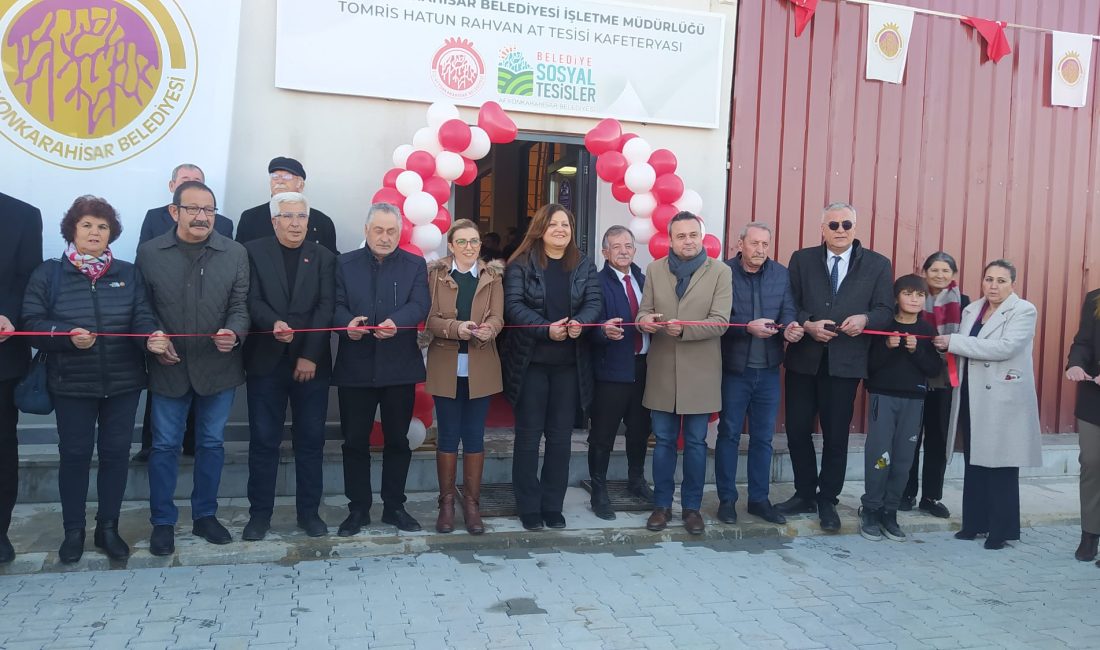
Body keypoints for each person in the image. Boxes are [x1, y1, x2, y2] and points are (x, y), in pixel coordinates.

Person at [22, 196, 167, 563]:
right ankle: (73, 532)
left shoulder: (128, 272)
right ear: (72, 230)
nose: (95, 232)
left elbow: (143, 317)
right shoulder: (48, 273)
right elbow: (32, 325)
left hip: (123, 383)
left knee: (116, 456)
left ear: (111, 234)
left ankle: (108, 528)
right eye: (87, 225)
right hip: (71, 383)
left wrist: (152, 335)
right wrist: (66, 334)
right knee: (74, 457)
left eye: (102, 227)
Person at [137, 180, 251, 556]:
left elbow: (240, 305)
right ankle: (163, 522)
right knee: (166, 446)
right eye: (194, 209)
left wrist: (233, 333)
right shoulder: (151, 253)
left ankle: (205, 515)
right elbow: (142, 307)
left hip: (218, 366)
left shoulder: (233, 253)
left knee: (211, 444)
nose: (203, 217)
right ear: (175, 212)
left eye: (209, 210)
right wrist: (153, 335)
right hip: (168, 367)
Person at [778, 202, 893, 532]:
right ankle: (804, 493)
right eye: (833, 225)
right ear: (822, 228)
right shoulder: (802, 259)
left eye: (846, 224)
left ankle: (827, 498)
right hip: (805, 360)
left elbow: (886, 309)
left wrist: (866, 319)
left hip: (845, 363)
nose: (840, 230)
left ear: (855, 228)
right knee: (798, 430)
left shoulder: (877, 264)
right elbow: (790, 303)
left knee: (836, 436)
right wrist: (808, 323)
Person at [241, 192, 336, 541]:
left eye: (301, 216)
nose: (296, 223)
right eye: (288, 216)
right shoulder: (252, 251)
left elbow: (326, 307)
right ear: (274, 221)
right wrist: (273, 323)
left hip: (312, 364)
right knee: (263, 441)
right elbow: (250, 298)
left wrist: (309, 354)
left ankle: (309, 514)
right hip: (266, 360)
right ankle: (259, 517)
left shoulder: (323, 256)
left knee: (310, 441)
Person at [332, 202, 430, 535]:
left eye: (391, 231)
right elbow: (334, 304)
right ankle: (357, 509)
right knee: (355, 442)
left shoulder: (415, 265)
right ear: (366, 230)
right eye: (379, 230)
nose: (385, 237)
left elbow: (420, 304)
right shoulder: (344, 264)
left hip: (398, 368)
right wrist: (346, 324)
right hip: (355, 368)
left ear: (400, 232)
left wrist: (398, 323)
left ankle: (394, 507)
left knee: (397, 441)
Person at [502, 203, 601, 531]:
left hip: (569, 366)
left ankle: (551, 504)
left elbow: (594, 303)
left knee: (560, 439)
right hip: (531, 364)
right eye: (554, 224)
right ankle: (528, 505)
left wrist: (580, 324)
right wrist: (546, 328)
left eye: (566, 225)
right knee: (528, 438)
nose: (561, 229)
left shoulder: (584, 263)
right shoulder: (520, 264)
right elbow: (513, 307)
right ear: (541, 229)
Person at [935, 259, 1042, 550]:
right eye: (989, 279)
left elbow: (1005, 347)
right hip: (972, 394)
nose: (993, 286)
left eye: (1001, 281)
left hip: (1002, 398)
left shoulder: (1023, 310)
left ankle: (1002, 530)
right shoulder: (972, 309)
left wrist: (953, 342)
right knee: (975, 460)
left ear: (1012, 284)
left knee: (1002, 464)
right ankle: (974, 523)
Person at [637, 212, 732, 535]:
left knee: (694, 443)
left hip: (701, 372)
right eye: (681, 236)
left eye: (693, 235)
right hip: (662, 369)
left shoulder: (720, 272)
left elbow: (721, 321)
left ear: (702, 237)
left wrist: (684, 330)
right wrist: (644, 322)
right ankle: (661, 506)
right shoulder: (654, 269)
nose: (688, 241)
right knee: (663, 441)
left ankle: (692, 508)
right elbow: (643, 311)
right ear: (671, 239)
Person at [134, 163, 232, 463]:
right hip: (167, 328)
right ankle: (150, 445)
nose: (200, 215)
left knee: (208, 433)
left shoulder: (225, 226)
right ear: (173, 191)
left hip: (208, 337)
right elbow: (146, 276)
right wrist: (157, 333)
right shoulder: (155, 219)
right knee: (163, 419)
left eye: (198, 182)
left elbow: (228, 279)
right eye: (186, 182)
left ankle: (191, 445)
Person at [716, 222, 802, 526]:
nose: (760, 250)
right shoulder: (723, 273)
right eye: (754, 244)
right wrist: (746, 327)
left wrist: (790, 327)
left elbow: (788, 309)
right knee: (728, 435)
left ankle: (758, 499)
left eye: (765, 244)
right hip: (734, 370)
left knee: (763, 438)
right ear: (740, 244)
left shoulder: (780, 274)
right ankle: (726, 499)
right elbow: (717, 318)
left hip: (768, 370)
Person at [425, 219, 504, 534]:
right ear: (451, 245)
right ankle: (446, 503)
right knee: (447, 436)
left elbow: (498, 316)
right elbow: (429, 318)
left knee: (473, 436)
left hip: (480, 366)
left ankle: (472, 504)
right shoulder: (436, 275)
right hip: (446, 365)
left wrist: (490, 329)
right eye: (463, 241)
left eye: (474, 241)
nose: (470, 247)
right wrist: (454, 328)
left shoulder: (492, 276)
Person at [858, 275, 942, 543]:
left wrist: (917, 351)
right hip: (884, 397)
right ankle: (871, 508)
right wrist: (887, 347)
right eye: (908, 294)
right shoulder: (884, 326)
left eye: (919, 295)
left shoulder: (927, 331)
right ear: (896, 297)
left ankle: (890, 511)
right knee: (879, 455)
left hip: (914, 400)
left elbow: (934, 369)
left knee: (904, 459)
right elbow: (868, 366)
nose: (914, 299)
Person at [588, 225, 655, 520]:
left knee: (640, 430)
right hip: (610, 370)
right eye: (616, 246)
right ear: (605, 252)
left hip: (644, 368)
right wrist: (602, 331)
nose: (624, 251)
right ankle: (599, 490)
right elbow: (587, 324)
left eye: (628, 245)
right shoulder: (596, 282)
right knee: (603, 434)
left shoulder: (644, 279)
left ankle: (636, 480)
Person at [900, 252, 969, 517]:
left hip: (945, 378)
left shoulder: (963, 302)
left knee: (938, 438)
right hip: (913, 373)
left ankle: (931, 496)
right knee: (910, 438)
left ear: (953, 274)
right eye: (934, 270)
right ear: (924, 270)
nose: (940, 275)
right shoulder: (912, 295)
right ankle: (906, 492)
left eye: (946, 271)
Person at [0, 192, 43, 565]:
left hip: (3, 351)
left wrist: (8, 315)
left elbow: (29, 279)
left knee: (2, 448)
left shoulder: (23, 214)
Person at [236, 157, 339, 254]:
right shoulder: (250, 218)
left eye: (287, 177)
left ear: (301, 185)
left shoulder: (321, 222)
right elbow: (239, 259)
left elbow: (330, 262)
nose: (280, 181)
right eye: (275, 177)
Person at [1064, 288, 1100, 562]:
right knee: (1092, 462)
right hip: (1094, 399)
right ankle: (1090, 534)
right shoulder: (1095, 297)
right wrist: (1075, 363)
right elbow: (1083, 341)